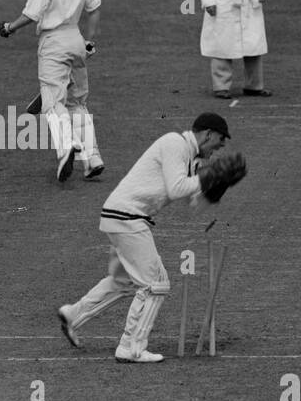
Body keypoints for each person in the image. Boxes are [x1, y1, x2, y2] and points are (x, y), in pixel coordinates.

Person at [58, 113, 233, 364]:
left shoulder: (191, 159)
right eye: (220, 140)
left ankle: (72, 315)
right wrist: (208, 177)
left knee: (124, 281)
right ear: (207, 134)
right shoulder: (175, 144)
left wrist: (218, 186)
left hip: (120, 216)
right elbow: (176, 188)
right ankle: (131, 347)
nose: (221, 146)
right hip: (128, 217)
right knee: (156, 284)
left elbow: (193, 201)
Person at [0, 0, 104, 182]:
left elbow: (32, 15)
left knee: (52, 102)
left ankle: (67, 145)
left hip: (53, 44)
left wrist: (9, 27)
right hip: (76, 41)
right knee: (77, 103)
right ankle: (92, 159)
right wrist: (88, 41)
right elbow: (95, 8)